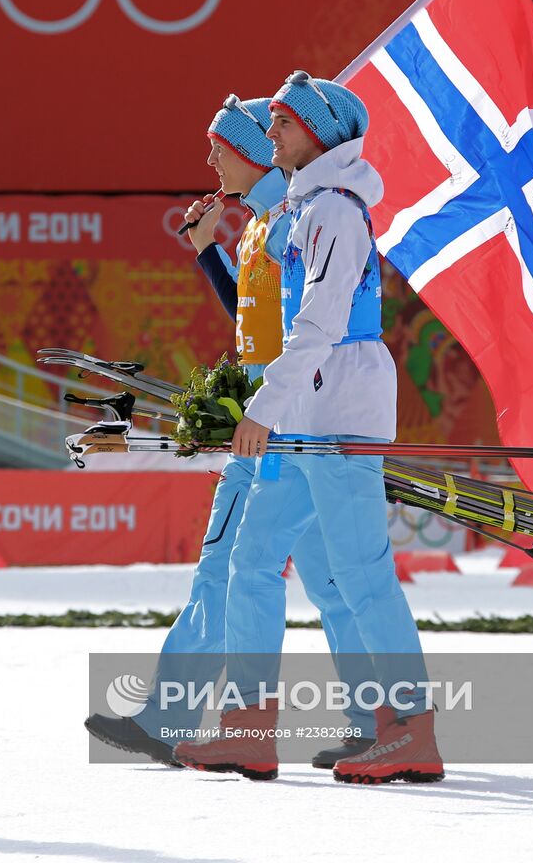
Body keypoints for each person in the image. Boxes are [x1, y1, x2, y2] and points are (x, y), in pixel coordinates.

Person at [85, 95, 375, 767]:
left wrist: (258, 405)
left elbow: (305, 331)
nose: (209, 158)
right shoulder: (260, 224)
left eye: (220, 146)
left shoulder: (290, 219)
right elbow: (253, 328)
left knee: (227, 568)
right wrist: (206, 252)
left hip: (280, 425)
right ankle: (377, 718)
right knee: (332, 579)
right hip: (283, 416)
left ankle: (172, 719)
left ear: (249, 152)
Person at [174, 73, 444, 784]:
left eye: (283, 126)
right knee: (251, 560)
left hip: (339, 409)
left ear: (319, 135)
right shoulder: (303, 206)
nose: (271, 135)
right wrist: (274, 407)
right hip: (304, 413)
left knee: (359, 572)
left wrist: (262, 408)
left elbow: (319, 324)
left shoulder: (336, 212)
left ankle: (408, 726)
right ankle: (248, 727)